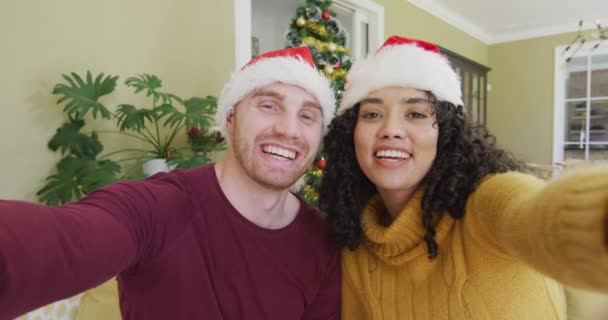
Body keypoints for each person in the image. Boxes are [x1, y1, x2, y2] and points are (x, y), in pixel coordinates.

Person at [0, 46, 340, 319]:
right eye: (269, 105)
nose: (289, 130)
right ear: (231, 119)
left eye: (307, 116)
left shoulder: (324, 244)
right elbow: (61, 241)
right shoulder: (157, 207)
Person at [318, 35, 608, 319]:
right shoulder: (353, 241)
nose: (391, 129)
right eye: (371, 114)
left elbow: (538, 214)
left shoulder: (485, 203)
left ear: (446, 133)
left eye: (416, 114)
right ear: (350, 135)